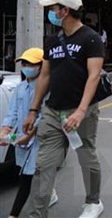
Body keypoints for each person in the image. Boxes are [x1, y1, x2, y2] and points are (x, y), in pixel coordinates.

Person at [22, 0, 105, 218]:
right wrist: (33, 110)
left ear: (64, 11)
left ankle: (93, 202)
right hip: (52, 111)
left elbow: (94, 76)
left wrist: (80, 111)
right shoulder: (52, 41)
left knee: (86, 156)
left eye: (53, 8)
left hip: (81, 112)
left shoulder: (90, 39)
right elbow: (45, 76)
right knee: (43, 164)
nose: (51, 13)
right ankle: (37, 212)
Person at [1, 48, 58, 218]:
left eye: (31, 64)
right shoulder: (20, 88)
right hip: (23, 141)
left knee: (26, 178)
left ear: (42, 66)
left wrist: (31, 134)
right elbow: (12, 113)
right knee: (33, 175)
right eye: (24, 63)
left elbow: (45, 116)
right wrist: (5, 130)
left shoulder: (47, 89)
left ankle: (14, 214)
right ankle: (50, 193)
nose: (26, 67)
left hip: (40, 140)